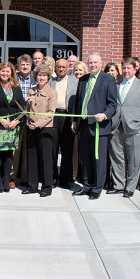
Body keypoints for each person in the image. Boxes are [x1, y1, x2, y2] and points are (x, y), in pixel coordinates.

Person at [72, 53, 117, 200]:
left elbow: (112, 103)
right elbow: (79, 102)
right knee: (85, 158)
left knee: (98, 158)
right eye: (90, 63)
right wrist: (74, 121)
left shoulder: (108, 79)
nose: (92, 65)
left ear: (101, 63)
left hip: (99, 126)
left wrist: (105, 115)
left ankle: (97, 188)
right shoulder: (83, 79)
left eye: (95, 63)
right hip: (84, 124)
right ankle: (86, 185)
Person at [108, 58, 140, 198]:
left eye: (128, 68)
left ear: (135, 70)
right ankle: (119, 185)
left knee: (134, 159)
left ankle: (130, 187)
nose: (126, 71)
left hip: (135, 127)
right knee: (117, 157)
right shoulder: (116, 84)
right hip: (117, 126)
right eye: (124, 68)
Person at [0, 62, 25, 193]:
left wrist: (16, 121)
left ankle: (6, 180)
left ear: (11, 73)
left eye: (7, 71)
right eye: (3, 71)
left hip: (12, 126)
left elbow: (21, 106)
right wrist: (0, 120)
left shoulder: (16, 87)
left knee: (8, 155)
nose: (5, 74)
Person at [22, 64, 57, 197]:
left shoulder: (52, 92)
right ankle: (32, 185)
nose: (41, 78)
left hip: (44, 128)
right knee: (32, 157)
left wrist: (37, 124)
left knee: (45, 159)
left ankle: (47, 187)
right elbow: (28, 110)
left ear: (48, 77)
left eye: (44, 75)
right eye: (39, 75)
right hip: (30, 127)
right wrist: (27, 102)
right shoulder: (31, 90)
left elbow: (50, 113)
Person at [50, 58, 78, 189]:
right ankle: (53, 177)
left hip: (67, 117)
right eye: (59, 67)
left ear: (68, 68)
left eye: (63, 67)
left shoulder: (75, 82)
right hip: (54, 117)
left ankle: (65, 179)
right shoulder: (51, 81)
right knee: (53, 149)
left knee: (67, 150)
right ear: (55, 68)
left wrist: (74, 121)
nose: (61, 69)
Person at [12, 54, 35, 188]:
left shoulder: (36, 78)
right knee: (15, 148)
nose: (25, 67)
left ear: (31, 66)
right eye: (22, 64)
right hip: (16, 117)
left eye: (27, 64)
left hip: (31, 118)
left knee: (27, 149)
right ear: (18, 66)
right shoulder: (14, 79)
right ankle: (12, 177)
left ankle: (25, 177)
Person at [71, 61, 88, 182]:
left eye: (80, 70)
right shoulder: (71, 83)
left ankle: (84, 174)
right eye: (76, 70)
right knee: (75, 150)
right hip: (74, 120)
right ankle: (75, 173)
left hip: (86, 121)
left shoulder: (87, 82)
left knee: (84, 150)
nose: (78, 72)